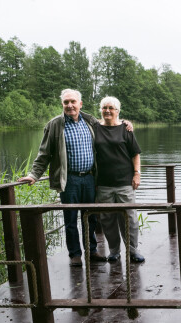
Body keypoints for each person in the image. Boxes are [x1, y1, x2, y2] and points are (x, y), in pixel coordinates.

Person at [18, 89, 132, 267]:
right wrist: (34, 175)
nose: (69, 105)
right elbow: (44, 154)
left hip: (89, 178)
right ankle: (75, 254)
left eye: (73, 102)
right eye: (66, 102)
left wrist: (125, 122)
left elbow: (110, 122)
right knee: (70, 219)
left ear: (80, 104)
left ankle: (92, 251)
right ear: (62, 104)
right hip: (69, 180)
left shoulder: (90, 121)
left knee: (91, 217)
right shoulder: (55, 125)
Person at [93, 96, 145, 263]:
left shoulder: (125, 129)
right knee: (108, 220)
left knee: (129, 218)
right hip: (103, 183)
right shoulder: (94, 128)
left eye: (111, 108)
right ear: (101, 110)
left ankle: (133, 250)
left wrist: (137, 173)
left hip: (125, 182)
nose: (107, 110)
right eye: (104, 107)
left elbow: (135, 153)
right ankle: (114, 251)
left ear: (117, 111)